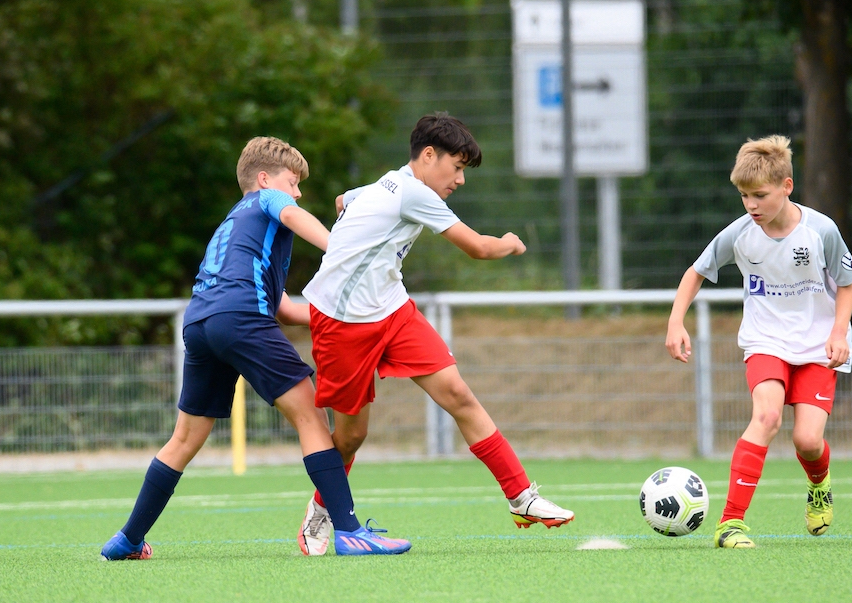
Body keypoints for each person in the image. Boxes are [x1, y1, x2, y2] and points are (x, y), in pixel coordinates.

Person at [101, 137, 410, 559]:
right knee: (310, 417)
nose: (297, 193)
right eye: (292, 183)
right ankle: (350, 531)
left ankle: (128, 539)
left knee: (185, 438)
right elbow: (293, 216)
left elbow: (284, 309)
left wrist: (352, 314)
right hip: (241, 319)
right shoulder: (266, 200)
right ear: (264, 179)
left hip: (201, 321)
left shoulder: (235, 224)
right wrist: (346, 250)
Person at [295, 113, 574, 556]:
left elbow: (342, 199)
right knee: (350, 437)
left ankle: (521, 497)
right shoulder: (412, 192)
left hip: (392, 310)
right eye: (456, 167)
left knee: (458, 394)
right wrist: (510, 241)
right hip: (341, 324)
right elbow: (478, 247)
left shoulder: (388, 184)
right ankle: (320, 510)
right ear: (428, 155)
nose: (460, 180)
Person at [665, 135, 852, 548]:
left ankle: (820, 484)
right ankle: (730, 525)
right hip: (766, 340)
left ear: (787, 186)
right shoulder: (740, 234)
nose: (751, 205)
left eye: (759, 195)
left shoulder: (821, 230)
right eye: (743, 196)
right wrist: (675, 322)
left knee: (807, 441)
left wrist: (838, 331)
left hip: (817, 346)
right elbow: (695, 272)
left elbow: (847, 284)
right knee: (767, 418)